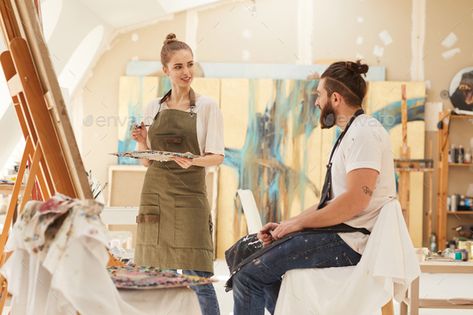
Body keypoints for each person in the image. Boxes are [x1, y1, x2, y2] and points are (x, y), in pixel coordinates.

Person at [231, 60, 396, 315]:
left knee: (248, 276)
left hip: (351, 241)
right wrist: (287, 224)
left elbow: (355, 202)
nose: (317, 102)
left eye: (319, 94)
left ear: (336, 98)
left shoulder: (365, 133)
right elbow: (329, 203)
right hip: (342, 233)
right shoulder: (351, 132)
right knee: (244, 251)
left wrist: (297, 225)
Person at [131, 33, 224, 315]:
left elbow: (217, 156)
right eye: (179, 67)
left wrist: (193, 161)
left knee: (199, 278)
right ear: (166, 71)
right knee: (163, 278)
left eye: (190, 65)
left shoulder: (207, 106)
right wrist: (140, 142)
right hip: (156, 194)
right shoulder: (153, 107)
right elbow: (147, 163)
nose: (186, 72)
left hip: (190, 195)